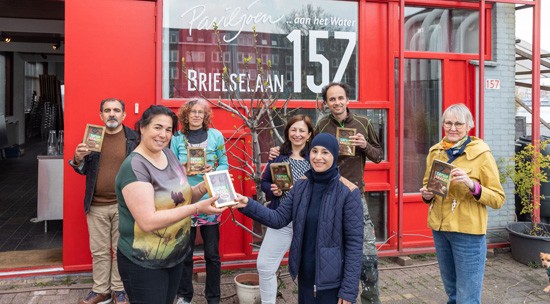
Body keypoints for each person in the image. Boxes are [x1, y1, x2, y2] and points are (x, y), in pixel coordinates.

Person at [269, 82, 383, 303]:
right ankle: (324, 292)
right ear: (326, 103)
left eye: (340, 98)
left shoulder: (364, 123)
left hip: (353, 194)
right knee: (326, 251)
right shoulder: (322, 124)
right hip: (326, 193)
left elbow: (379, 155)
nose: (337, 103)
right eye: (332, 99)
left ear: (348, 100)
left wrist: (364, 146)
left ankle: (369, 299)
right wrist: (278, 151)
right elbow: (307, 152)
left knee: (367, 254)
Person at [115, 105, 226, 304]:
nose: (163, 135)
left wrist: (203, 187)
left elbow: (182, 199)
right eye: (157, 127)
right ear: (142, 127)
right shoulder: (135, 167)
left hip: (174, 257)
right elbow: (148, 221)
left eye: (168, 130)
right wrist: (197, 208)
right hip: (145, 263)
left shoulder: (168, 155)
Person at [235, 133, 363, 304]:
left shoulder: (348, 192)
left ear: (334, 155)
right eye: (314, 151)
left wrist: (348, 290)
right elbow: (278, 218)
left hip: (332, 281)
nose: (318, 157)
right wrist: (247, 204)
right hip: (305, 277)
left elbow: (354, 245)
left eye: (325, 153)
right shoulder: (301, 185)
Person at [419, 103, 505, 304]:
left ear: (469, 126)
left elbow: (498, 198)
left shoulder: (482, 155)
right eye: (448, 123)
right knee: (453, 293)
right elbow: (427, 186)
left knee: (467, 297)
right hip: (440, 230)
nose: (452, 128)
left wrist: (471, 185)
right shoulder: (435, 152)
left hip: (468, 233)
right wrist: (427, 194)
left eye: (458, 123)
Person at [69, 98, 137, 304]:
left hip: (123, 205)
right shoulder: (93, 136)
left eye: (116, 110)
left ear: (124, 115)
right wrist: (78, 158)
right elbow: (82, 170)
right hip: (96, 204)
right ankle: (100, 290)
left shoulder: (134, 139)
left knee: (121, 250)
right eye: (107, 110)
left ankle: (119, 289)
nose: (112, 114)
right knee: (98, 251)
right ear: (101, 115)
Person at [170, 98, 228, 304]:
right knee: (184, 255)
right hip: (186, 201)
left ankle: (214, 298)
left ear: (205, 116)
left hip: (210, 200)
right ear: (185, 115)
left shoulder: (216, 136)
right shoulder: (177, 138)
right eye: (192, 112)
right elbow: (171, 168)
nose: (196, 115)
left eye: (200, 112)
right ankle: (185, 296)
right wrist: (183, 168)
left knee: (212, 255)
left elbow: (224, 164)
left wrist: (214, 170)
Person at [258, 115, 313, 303]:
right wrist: (272, 190)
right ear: (287, 132)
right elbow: (264, 182)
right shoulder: (278, 155)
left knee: (309, 270)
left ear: (309, 134)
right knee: (264, 266)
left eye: (302, 131)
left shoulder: (315, 158)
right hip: (281, 219)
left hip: (307, 222)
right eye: (293, 130)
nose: (297, 134)